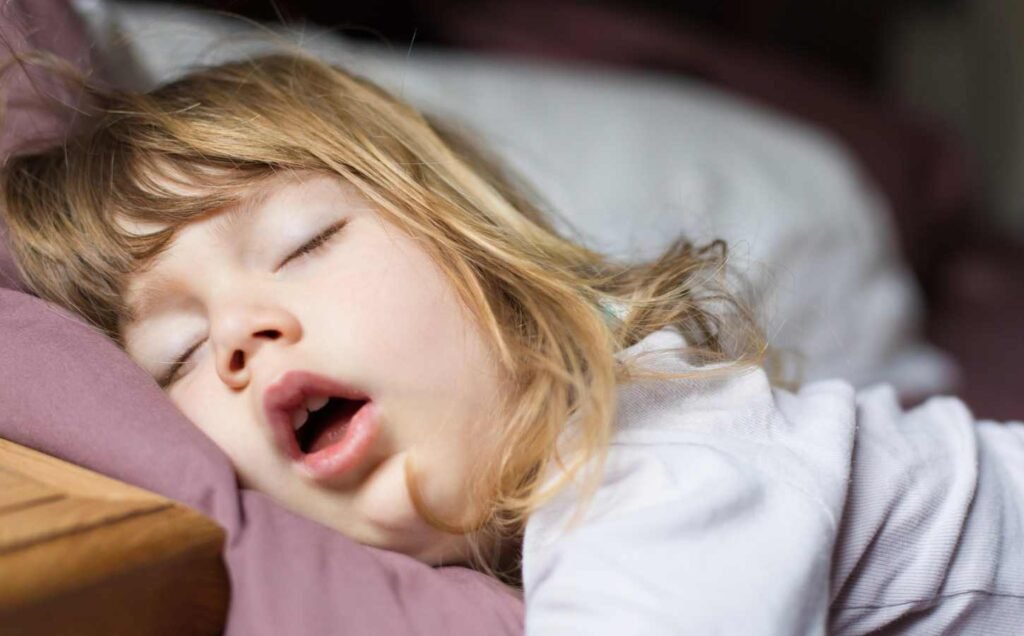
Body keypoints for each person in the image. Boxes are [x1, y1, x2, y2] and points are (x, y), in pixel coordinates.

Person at [2, 53, 1022, 634]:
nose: (241, 336)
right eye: (178, 357)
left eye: (301, 244)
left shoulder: (655, 463)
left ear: (480, 261)